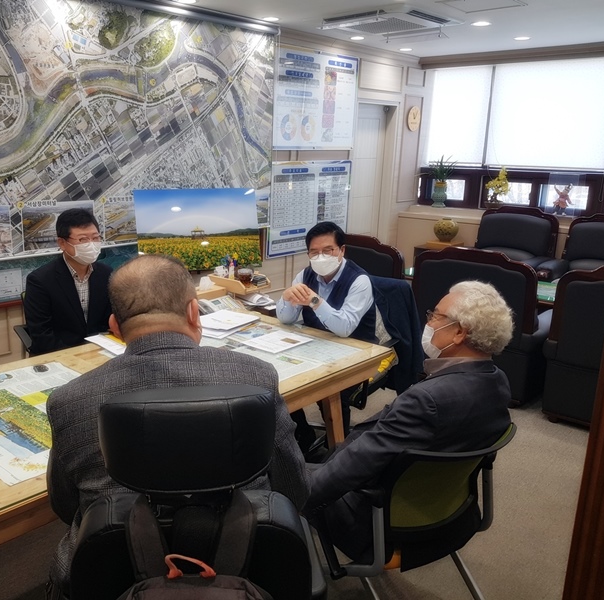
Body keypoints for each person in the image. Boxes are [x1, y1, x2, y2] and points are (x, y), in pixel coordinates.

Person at [45, 254, 309, 599]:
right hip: (249, 562)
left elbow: (66, 506)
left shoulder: (68, 400)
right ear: (194, 313)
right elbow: (292, 488)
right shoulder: (256, 376)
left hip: (114, 569)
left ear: (114, 327)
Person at [303, 280, 513, 563]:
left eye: (435, 315)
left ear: (460, 332)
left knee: (281, 474)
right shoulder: (498, 381)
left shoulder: (427, 400)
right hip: (451, 515)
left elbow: (353, 467)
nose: (428, 322)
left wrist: (295, 490)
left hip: (378, 522)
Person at [275, 221, 376, 442]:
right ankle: (302, 435)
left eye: (328, 250)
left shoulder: (360, 281)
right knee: (278, 380)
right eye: (314, 252)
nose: (320, 257)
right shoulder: (305, 275)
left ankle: (340, 444)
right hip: (316, 346)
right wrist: (286, 298)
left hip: (355, 351)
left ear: (342, 250)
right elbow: (286, 319)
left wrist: (315, 301)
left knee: (332, 392)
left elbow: (344, 328)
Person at [23, 208, 112, 355]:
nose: (91, 245)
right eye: (83, 239)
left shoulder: (106, 273)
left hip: (100, 352)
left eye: (95, 238)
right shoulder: (40, 280)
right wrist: (77, 357)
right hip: (60, 354)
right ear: (62, 243)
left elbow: (110, 320)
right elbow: (42, 335)